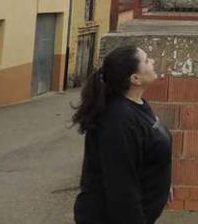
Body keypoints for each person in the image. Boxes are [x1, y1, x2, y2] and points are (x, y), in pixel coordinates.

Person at [71, 46, 172, 224]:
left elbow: (145, 150)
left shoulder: (137, 105)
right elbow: (121, 187)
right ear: (135, 78)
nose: (153, 62)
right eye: (147, 60)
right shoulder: (118, 121)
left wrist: (163, 182)